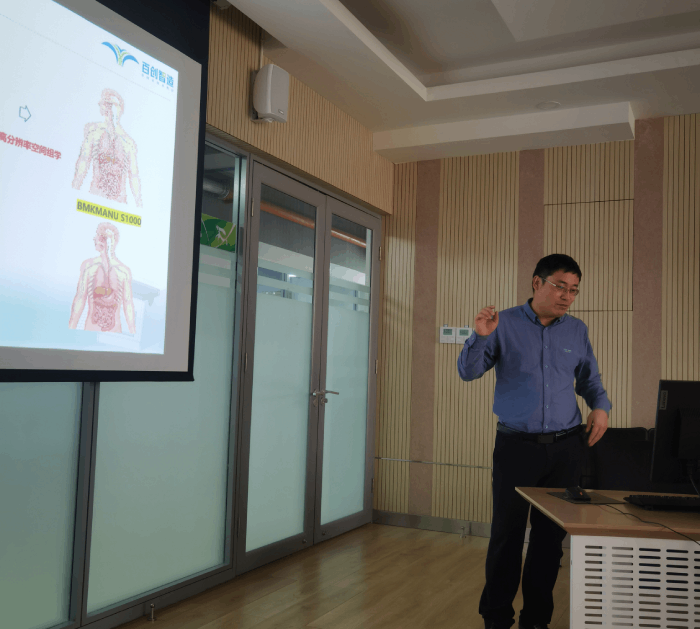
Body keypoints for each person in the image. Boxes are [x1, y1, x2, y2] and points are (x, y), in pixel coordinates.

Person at [457, 254, 611, 629]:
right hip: (516, 448)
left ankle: (536, 620)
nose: (567, 296)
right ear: (537, 282)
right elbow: (468, 372)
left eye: (574, 290)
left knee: (549, 541)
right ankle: (496, 617)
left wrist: (601, 407)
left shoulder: (576, 330)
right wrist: (480, 336)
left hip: (565, 448)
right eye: (560, 287)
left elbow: (589, 379)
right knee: (506, 536)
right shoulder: (503, 324)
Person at [72, 88, 143, 207]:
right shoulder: (94, 134)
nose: (110, 110)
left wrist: (139, 203)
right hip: (95, 199)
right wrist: (74, 189)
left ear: (120, 109)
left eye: (113, 106)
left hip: (119, 204)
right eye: (107, 105)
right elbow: (82, 164)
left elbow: (134, 176)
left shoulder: (128, 143)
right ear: (103, 108)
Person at [69, 221, 136, 334]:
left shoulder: (124, 272)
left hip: (114, 334)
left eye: (103, 237)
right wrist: (71, 327)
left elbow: (128, 303)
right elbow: (80, 298)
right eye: (100, 237)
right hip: (90, 332)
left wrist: (132, 330)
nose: (97, 239)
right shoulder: (88, 267)